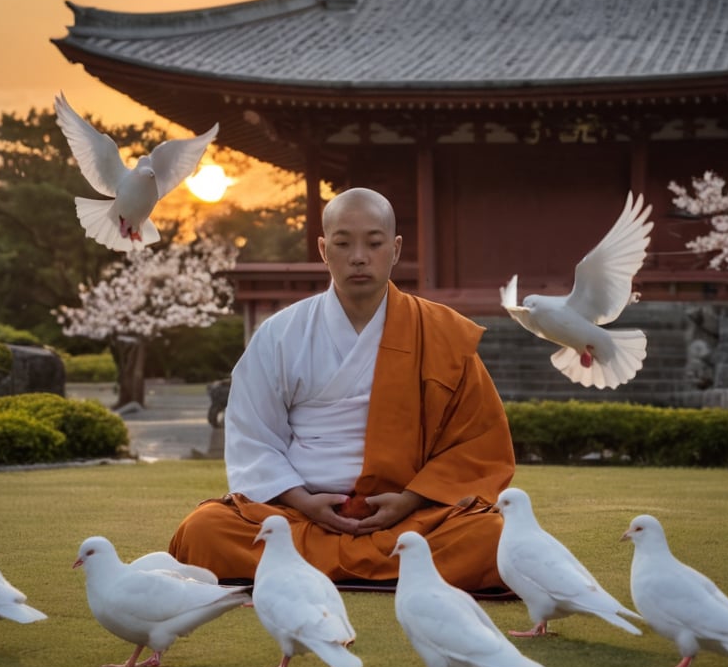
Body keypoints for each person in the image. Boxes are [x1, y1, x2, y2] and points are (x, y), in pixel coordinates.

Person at [169, 187, 515, 591]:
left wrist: (410, 499)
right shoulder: (281, 334)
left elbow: (476, 443)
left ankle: (301, 569)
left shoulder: (439, 332)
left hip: (407, 517)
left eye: (373, 243)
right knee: (204, 530)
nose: (358, 257)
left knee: (491, 537)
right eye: (343, 243)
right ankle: (393, 571)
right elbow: (253, 436)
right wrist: (302, 501)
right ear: (323, 249)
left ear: (396, 248)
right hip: (300, 515)